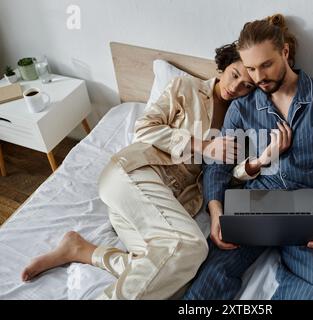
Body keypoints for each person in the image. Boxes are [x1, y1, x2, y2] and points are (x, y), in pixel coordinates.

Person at [20, 43, 257, 299]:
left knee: (174, 273)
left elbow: (224, 175)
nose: (236, 87)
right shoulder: (186, 88)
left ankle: (82, 250)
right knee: (191, 247)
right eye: (235, 74)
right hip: (136, 173)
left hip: (159, 205)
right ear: (225, 65)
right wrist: (203, 145)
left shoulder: (239, 121)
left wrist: (253, 165)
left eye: (247, 85)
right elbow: (144, 128)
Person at [184, 14, 313, 300]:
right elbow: (218, 165)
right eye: (251, 68)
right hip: (256, 202)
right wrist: (216, 211)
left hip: (309, 206)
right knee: (204, 287)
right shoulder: (242, 106)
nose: (258, 77)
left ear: (285, 52)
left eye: (266, 65)